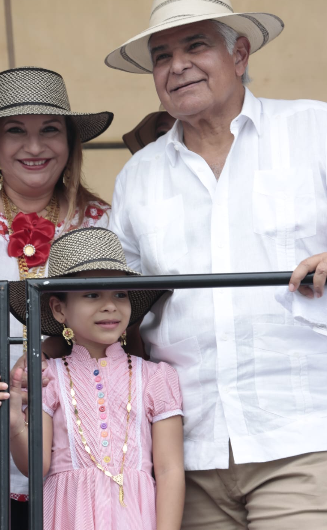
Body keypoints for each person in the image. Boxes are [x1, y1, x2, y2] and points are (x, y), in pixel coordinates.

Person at [105, 1, 327, 528]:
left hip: (302, 434)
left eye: (196, 46)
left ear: (241, 54)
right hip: (188, 454)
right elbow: (115, 305)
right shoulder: (138, 176)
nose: (177, 65)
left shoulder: (314, 128)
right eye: (162, 56)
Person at [0, 66, 113, 530]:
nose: (34, 147)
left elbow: (121, 329)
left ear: (70, 143)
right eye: (16, 131)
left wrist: (46, 350)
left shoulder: (102, 222)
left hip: (75, 454)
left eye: (50, 130)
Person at [0, 227, 185, 530]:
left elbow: (170, 470)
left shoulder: (156, 376)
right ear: (58, 308)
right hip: (67, 517)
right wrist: (14, 425)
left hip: (137, 519)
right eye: (92, 293)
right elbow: (36, 467)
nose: (110, 305)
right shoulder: (47, 376)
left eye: (120, 293)